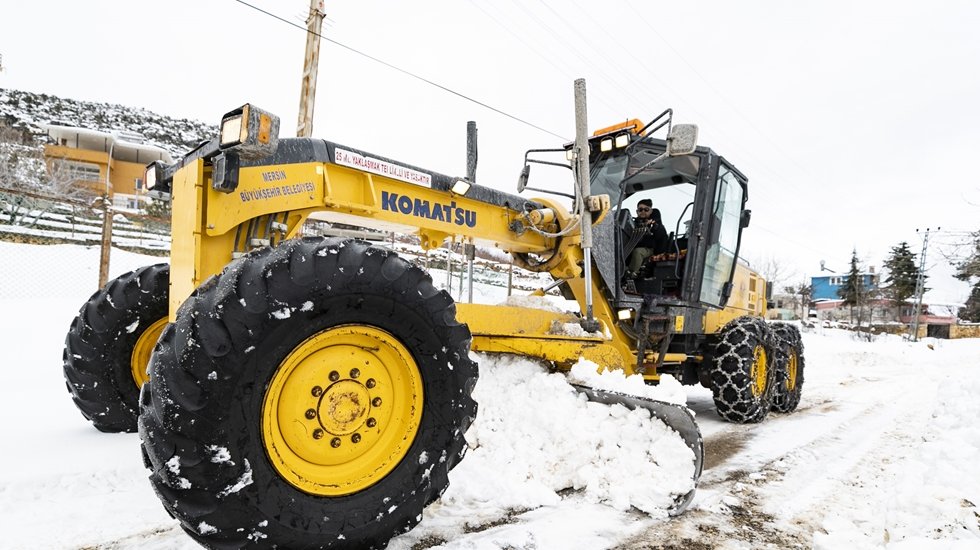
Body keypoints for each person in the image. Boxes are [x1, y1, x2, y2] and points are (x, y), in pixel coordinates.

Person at [627, 199, 668, 277]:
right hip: (632, 246)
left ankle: (631, 273)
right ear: (637, 211)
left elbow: (661, 236)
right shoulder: (633, 223)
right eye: (640, 209)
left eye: (646, 209)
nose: (643, 211)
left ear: (651, 211)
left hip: (650, 249)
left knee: (638, 252)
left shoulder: (655, 224)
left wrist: (655, 226)